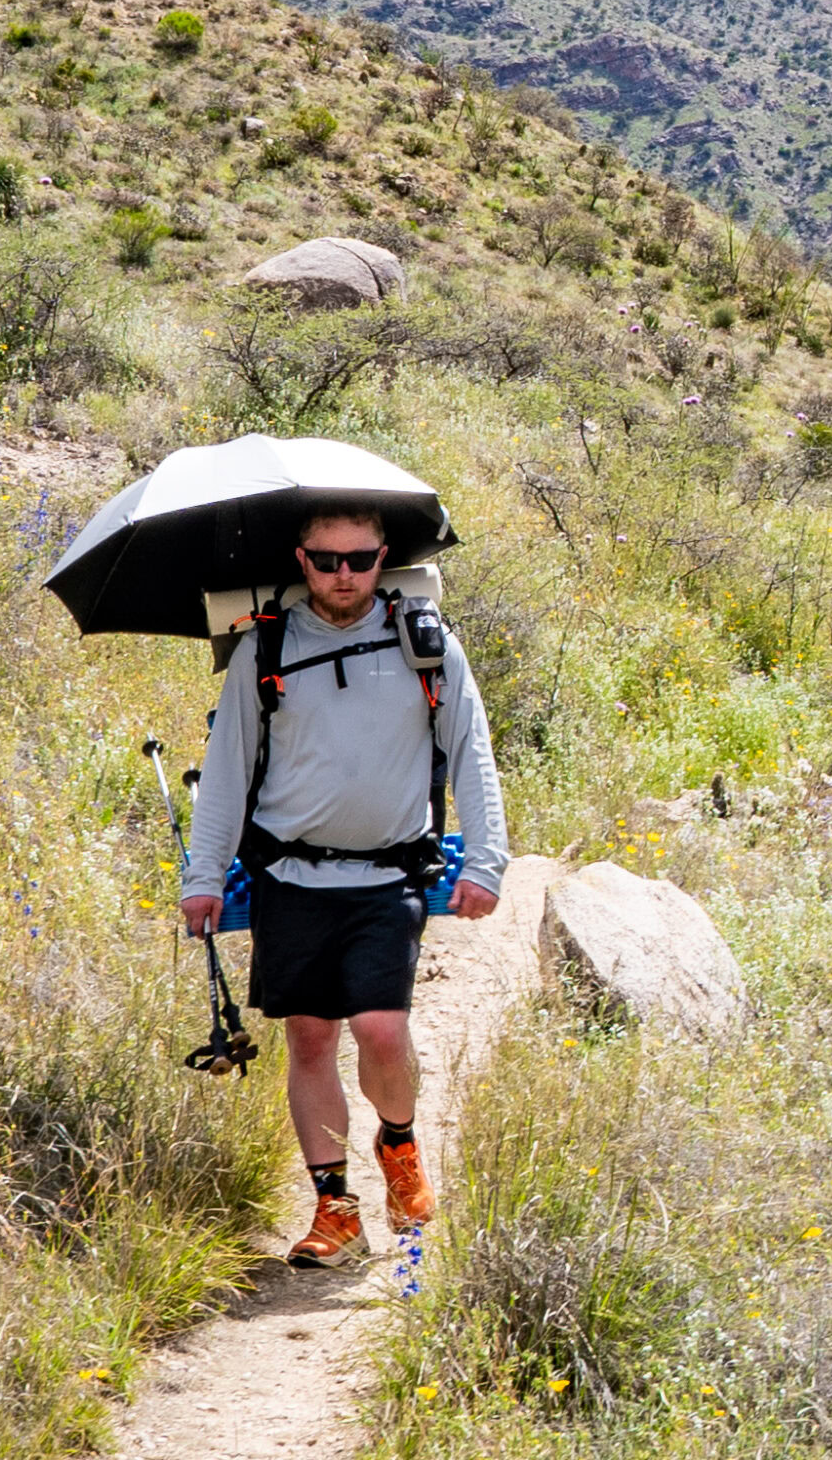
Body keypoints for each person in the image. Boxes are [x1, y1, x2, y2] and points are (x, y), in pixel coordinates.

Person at [180, 505, 509, 1268]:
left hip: (390, 872)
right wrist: (203, 879)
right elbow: (226, 772)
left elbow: (473, 751)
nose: (343, 576)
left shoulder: (426, 643)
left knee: (383, 1030)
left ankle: (398, 1148)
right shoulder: (263, 648)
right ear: (301, 561)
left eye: (358, 560)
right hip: (289, 876)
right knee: (310, 1037)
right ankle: (335, 1209)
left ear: (382, 555)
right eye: (326, 561)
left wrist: (487, 862)